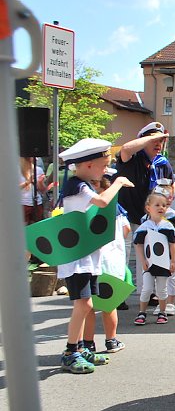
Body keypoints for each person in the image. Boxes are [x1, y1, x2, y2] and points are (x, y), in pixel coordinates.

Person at [56, 139, 133, 374]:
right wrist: (118, 182)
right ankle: (71, 352)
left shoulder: (81, 184)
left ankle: (80, 348)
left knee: (86, 304)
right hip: (77, 258)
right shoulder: (77, 186)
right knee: (84, 304)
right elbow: (102, 201)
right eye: (103, 165)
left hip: (86, 257)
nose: (104, 172)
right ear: (88, 165)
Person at [115, 122, 173, 292]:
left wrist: (167, 199)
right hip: (126, 216)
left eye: (161, 141)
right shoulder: (133, 158)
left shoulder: (162, 163)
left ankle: (146, 294)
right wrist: (151, 138)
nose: (158, 144)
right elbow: (125, 149)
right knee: (122, 257)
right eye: (154, 140)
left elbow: (170, 184)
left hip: (148, 219)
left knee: (148, 256)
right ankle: (118, 295)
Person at [82, 173, 131, 354]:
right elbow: (126, 230)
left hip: (93, 262)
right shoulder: (116, 209)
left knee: (88, 306)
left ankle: (88, 343)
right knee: (109, 305)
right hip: (112, 264)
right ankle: (111, 340)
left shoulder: (87, 208)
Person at [132, 192, 175, 326]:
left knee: (162, 289)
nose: (161, 208)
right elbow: (139, 245)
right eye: (157, 205)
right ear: (148, 208)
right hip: (149, 263)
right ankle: (142, 312)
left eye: (164, 205)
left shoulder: (168, 227)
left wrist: (172, 261)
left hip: (163, 264)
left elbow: (171, 245)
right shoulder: (144, 227)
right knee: (146, 288)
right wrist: (142, 261)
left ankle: (162, 312)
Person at [149, 179, 175, 317]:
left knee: (171, 277)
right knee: (159, 278)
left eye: (170, 197)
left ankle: (170, 303)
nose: (167, 200)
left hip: (172, 253)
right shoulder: (150, 216)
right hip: (156, 253)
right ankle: (161, 303)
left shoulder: (174, 216)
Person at [20, 156, 49, 225]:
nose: (37, 159)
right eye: (34, 156)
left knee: (36, 227)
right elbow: (13, 188)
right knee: (23, 228)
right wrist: (28, 182)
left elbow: (43, 190)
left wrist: (40, 183)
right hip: (22, 203)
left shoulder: (39, 170)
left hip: (37, 203)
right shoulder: (16, 169)